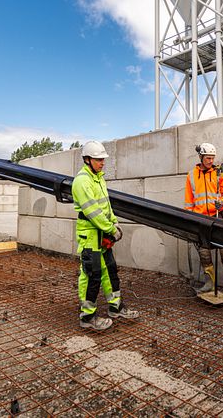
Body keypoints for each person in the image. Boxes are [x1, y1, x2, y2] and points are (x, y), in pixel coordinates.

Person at [72, 140, 139, 330]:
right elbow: (93, 212)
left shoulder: (98, 177)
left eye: (103, 159)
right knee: (92, 275)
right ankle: (87, 317)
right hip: (90, 235)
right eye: (98, 159)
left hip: (102, 232)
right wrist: (111, 229)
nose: (102, 163)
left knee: (110, 270)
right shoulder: (82, 181)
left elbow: (105, 206)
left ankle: (115, 307)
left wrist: (114, 223)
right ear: (87, 159)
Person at [184, 142, 223, 296]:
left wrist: (221, 202)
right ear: (201, 157)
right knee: (204, 252)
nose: (211, 161)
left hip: (218, 217)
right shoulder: (191, 175)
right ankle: (209, 282)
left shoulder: (219, 172)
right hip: (201, 219)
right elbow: (189, 201)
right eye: (208, 158)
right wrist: (189, 220)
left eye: (212, 158)